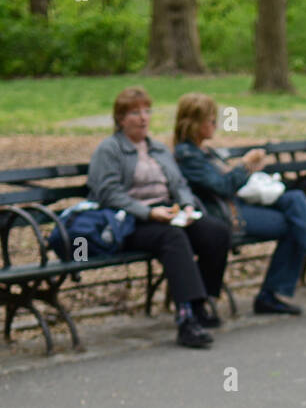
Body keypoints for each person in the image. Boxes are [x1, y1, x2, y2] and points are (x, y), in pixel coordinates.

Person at [172, 94, 306, 318]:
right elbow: (223, 187)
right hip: (227, 215)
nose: (216, 125)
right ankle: (283, 286)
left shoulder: (203, 151)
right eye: (211, 121)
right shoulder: (188, 156)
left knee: (294, 200)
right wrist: (246, 166)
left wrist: (249, 169)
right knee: (296, 222)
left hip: (239, 204)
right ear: (194, 124)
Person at [86, 86, 230, 348]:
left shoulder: (159, 149)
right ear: (120, 119)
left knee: (216, 232)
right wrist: (148, 212)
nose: (142, 118)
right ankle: (186, 321)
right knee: (173, 238)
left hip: (168, 213)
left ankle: (202, 303)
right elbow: (107, 194)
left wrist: (186, 206)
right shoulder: (110, 150)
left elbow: (179, 185)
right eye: (134, 113)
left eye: (146, 111)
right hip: (130, 222)